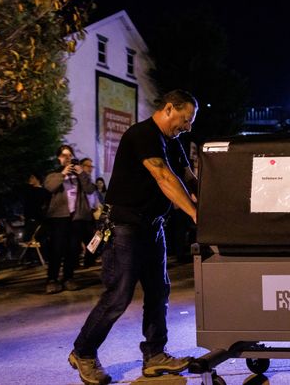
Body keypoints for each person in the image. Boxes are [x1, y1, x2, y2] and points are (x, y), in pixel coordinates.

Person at [69, 89, 199, 385]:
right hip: (124, 226)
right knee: (118, 295)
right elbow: (164, 176)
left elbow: (187, 178)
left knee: (159, 291)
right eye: (185, 119)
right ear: (169, 108)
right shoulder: (142, 134)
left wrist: (207, 199)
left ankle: (154, 355)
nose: (188, 127)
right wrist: (194, 212)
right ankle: (83, 352)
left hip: (153, 226)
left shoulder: (174, 141)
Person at [44, 145, 96, 294]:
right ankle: (52, 280)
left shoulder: (79, 176)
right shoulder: (53, 174)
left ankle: (68, 278)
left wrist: (82, 174)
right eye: (64, 156)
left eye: (69, 156)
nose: (67, 159)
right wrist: (62, 174)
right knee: (57, 249)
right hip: (59, 218)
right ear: (59, 158)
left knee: (73, 250)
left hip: (76, 217)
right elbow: (49, 187)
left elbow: (90, 189)